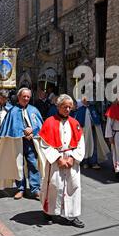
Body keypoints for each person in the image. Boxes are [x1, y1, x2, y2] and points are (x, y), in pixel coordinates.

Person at [39, 94, 86, 228]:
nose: (67, 109)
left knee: (74, 186)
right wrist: (57, 158)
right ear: (58, 106)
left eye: (69, 107)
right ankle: (48, 212)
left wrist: (73, 158)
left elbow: (81, 143)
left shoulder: (74, 123)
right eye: (65, 106)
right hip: (55, 160)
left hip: (71, 161)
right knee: (54, 186)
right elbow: (44, 143)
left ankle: (72, 215)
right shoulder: (49, 121)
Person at [0, 88, 45, 200]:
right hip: (16, 143)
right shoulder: (13, 111)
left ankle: (35, 189)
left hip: (31, 143)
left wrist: (32, 131)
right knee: (18, 165)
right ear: (19, 97)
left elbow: (40, 126)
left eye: (28, 97)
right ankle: (21, 189)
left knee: (33, 164)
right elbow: (9, 128)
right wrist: (23, 133)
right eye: (23, 96)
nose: (26, 99)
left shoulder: (34, 110)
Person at [73, 96, 110, 169]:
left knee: (94, 146)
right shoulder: (80, 110)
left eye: (87, 99)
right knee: (85, 146)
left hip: (93, 130)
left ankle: (94, 162)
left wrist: (95, 123)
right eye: (84, 99)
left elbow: (96, 117)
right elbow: (76, 121)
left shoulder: (92, 108)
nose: (86, 101)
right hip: (83, 131)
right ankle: (85, 162)